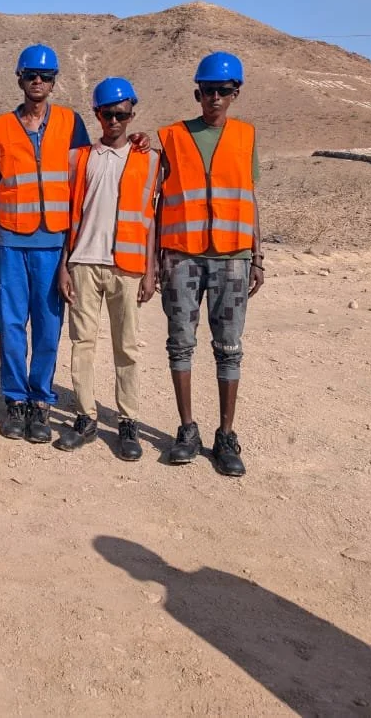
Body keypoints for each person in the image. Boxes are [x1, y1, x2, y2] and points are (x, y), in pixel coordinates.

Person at [157, 51, 263, 477]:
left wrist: (258, 255)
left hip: (233, 258)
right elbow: (155, 196)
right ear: (196, 92)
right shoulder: (170, 137)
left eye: (224, 90)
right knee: (180, 342)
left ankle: (225, 436)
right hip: (182, 256)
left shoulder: (247, 136)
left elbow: (251, 198)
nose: (215, 97)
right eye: (208, 90)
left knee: (229, 349)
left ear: (235, 93)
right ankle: (186, 430)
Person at [0, 44, 93, 444]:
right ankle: (15, 401)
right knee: (13, 325)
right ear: (19, 78)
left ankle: (41, 401)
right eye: (31, 74)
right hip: (12, 242)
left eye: (45, 76)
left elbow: (86, 174)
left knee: (48, 328)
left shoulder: (71, 123)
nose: (38, 81)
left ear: (53, 81)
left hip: (54, 244)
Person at [55, 77, 159, 460]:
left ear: (132, 113)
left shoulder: (150, 159)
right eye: (106, 114)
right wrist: (65, 264)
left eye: (121, 114)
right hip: (83, 262)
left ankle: (128, 421)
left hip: (127, 267)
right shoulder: (79, 158)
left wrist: (150, 271)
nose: (114, 120)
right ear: (97, 115)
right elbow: (69, 214)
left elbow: (151, 218)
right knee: (82, 344)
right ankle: (85, 416)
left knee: (126, 347)